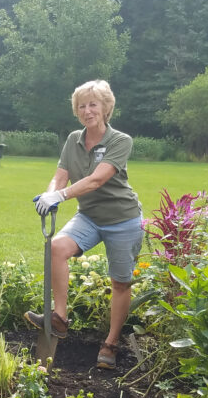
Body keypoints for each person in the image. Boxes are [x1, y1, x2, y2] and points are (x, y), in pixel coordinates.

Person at [24, 79, 143, 369]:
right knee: (56, 248)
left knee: (120, 281)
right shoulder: (73, 139)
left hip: (123, 220)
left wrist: (60, 196)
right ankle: (60, 318)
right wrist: (51, 191)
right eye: (81, 106)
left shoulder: (120, 140)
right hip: (89, 217)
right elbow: (61, 174)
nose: (87, 110)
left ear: (105, 108)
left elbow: (97, 180)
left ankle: (111, 344)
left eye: (93, 104)